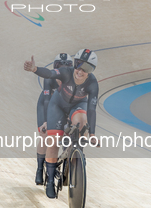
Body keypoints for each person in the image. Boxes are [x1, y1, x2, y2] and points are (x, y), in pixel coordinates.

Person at [24, 49, 99, 199]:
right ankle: (49, 179)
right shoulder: (65, 73)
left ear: (91, 71)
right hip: (56, 105)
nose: (80, 71)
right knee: (52, 140)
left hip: (76, 106)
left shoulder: (92, 83)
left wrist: (91, 134)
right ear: (74, 64)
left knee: (82, 122)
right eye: (78, 65)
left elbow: (91, 108)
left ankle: (76, 155)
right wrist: (35, 69)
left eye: (87, 68)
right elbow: (50, 75)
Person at [34, 53, 72, 186]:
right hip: (46, 105)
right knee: (45, 135)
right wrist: (46, 121)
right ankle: (39, 169)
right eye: (59, 68)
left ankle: (68, 165)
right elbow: (46, 101)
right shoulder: (49, 79)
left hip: (63, 106)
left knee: (68, 133)